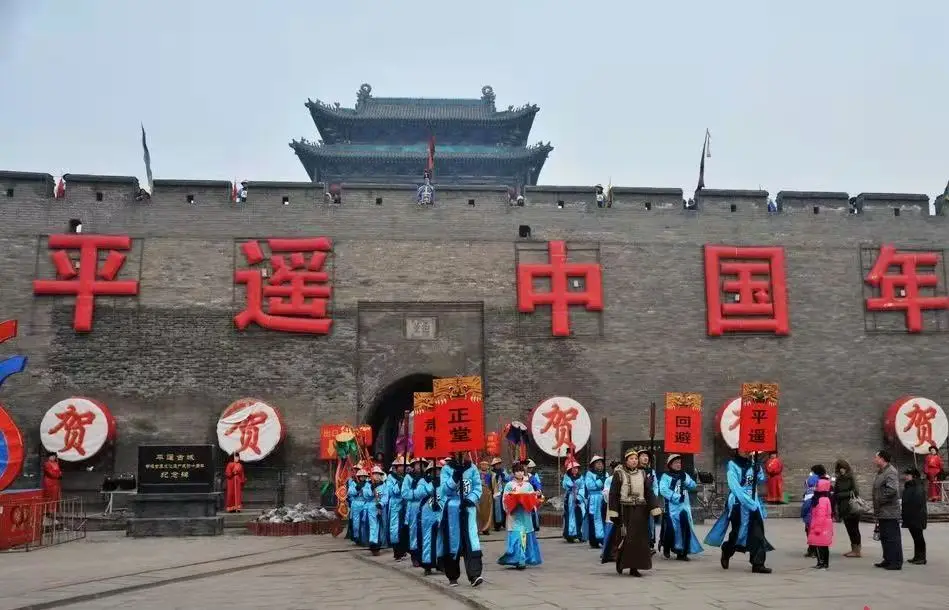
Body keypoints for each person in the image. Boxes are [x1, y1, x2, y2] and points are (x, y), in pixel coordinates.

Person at [704, 450, 773, 574]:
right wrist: (748, 502)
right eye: (743, 448)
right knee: (738, 534)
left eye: (748, 449)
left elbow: (760, 480)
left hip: (754, 501)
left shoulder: (753, 463)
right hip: (738, 502)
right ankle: (727, 550)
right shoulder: (732, 465)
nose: (746, 451)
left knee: (758, 532)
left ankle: (758, 563)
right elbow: (735, 487)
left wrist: (759, 470)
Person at [603, 448, 662, 576]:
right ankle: (620, 561)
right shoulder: (619, 474)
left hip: (641, 511)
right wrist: (614, 512)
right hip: (625, 511)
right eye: (631, 458)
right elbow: (613, 494)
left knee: (639, 540)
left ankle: (634, 567)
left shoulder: (642, 474)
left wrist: (655, 509)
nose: (634, 461)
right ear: (626, 460)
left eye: (636, 458)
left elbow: (648, 492)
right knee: (625, 539)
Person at [439, 454, 484, 588]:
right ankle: (452, 576)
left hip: (468, 508)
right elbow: (444, 490)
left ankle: (474, 575)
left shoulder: (473, 468)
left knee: (471, 541)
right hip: (452, 509)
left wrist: (471, 499)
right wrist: (454, 478)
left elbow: (477, 487)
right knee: (453, 542)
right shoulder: (446, 469)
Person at [658, 454, 703, 561]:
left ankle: (682, 552)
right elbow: (663, 490)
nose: (678, 465)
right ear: (670, 464)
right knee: (671, 529)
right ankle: (667, 546)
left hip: (683, 507)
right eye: (675, 463)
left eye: (679, 463)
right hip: (671, 508)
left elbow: (693, 485)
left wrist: (686, 481)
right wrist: (677, 497)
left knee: (684, 528)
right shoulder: (665, 476)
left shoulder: (684, 475)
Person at [497, 462, 543, 569]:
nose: (520, 473)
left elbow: (533, 499)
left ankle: (523, 559)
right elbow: (504, 499)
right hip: (514, 515)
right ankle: (518, 559)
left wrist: (535, 498)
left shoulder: (528, 485)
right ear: (513, 473)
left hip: (525, 515)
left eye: (521, 471)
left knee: (525, 536)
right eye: (517, 471)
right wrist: (511, 503)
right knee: (517, 536)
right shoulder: (509, 485)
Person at [871, 449, 902, 570]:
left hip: (890, 511)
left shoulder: (891, 472)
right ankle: (888, 559)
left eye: (876, 457)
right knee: (884, 537)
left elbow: (892, 490)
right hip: (882, 511)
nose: (874, 460)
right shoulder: (881, 472)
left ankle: (895, 561)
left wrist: (879, 500)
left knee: (892, 537)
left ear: (882, 459)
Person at [832, 459, 863, 558]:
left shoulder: (851, 478)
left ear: (846, 468)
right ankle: (854, 548)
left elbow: (856, 491)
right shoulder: (838, 479)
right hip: (843, 508)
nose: (841, 470)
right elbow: (836, 493)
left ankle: (857, 550)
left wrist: (842, 494)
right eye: (839, 468)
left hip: (852, 507)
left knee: (854, 529)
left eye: (842, 468)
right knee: (849, 529)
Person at [419, 459, 444, 574]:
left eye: (439, 470)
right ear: (429, 471)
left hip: (440, 511)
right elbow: (420, 493)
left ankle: (441, 562)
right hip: (427, 513)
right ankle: (427, 564)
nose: (437, 472)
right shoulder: (423, 482)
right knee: (427, 538)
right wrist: (431, 486)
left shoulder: (445, 482)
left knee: (441, 538)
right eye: (434, 470)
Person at [901, 467, 928, 565]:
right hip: (911, 515)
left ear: (914, 476)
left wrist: (912, 513)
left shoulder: (918, 486)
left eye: (908, 475)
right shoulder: (910, 485)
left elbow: (917, 502)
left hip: (917, 515)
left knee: (918, 537)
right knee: (916, 537)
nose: (906, 477)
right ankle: (917, 556)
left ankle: (921, 557)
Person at [807, 478, 834, 569]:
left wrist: (817, 527)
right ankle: (823, 563)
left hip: (821, 525)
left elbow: (821, 515)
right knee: (823, 545)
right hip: (825, 525)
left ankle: (822, 562)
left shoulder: (821, 500)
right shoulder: (825, 498)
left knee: (820, 545)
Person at [405, 458, 427, 566]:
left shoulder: (427, 477)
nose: (419, 466)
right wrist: (416, 493)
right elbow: (404, 493)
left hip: (426, 505)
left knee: (425, 530)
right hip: (413, 506)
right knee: (413, 530)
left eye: (421, 464)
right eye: (417, 464)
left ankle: (425, 554)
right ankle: (414, 555)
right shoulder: (408, 477)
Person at [801, 465, 827, 558]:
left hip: (810, 515)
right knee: (818, 531)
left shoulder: (810, 491)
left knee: (810, 531)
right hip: (821, 515)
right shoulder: (825, 486)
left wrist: (803, 514)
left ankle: (813, 550)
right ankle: (817, 550)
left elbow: (806, 505)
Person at [387, 455, 409, 560]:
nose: (403, 468)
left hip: (405, 504)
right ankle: (397, 552)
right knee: (395, 529)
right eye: (401, 466)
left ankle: (404, 549)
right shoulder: (390, 478)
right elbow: (391, 491)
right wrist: (399, 484)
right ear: (396, 467)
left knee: (405, 527)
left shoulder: (407, 477)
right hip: (395, 504)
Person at [583, 455, 607, 548]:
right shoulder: (589, 474)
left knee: (603, 518)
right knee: (593, 519)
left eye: (601, 463)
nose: (600, 465)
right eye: (597, 463)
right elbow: (590, 486)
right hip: (593, 498)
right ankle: (594, 541)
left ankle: (603, 538)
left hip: (603, 498)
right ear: (593, 465)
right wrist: (600, 482)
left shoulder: (606, 474)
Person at [637, 451, 659, 553]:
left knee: (650, 523)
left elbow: (655, 486)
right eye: (643, 456)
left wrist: (653, 496)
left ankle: (649, 543)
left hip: (649, 500)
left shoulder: (652, 471)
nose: (645, 458)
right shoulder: (635, 470)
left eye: (647, 456)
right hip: (638, 500)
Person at [561, 457, 586, 542]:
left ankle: (580, 534)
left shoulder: (581, 477)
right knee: (570, 516)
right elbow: (564, 485)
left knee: (581, 514)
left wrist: (579, 497)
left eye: (576, 468)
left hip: (579, 498)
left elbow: (582, 487)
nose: (575, 470)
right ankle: (570, 534)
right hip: (570, 498)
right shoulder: (567, 477)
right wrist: (571, 484)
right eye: (573, 468)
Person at [599, 460, 620, 562]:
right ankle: (607, 552)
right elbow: (606, 494)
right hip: (611, 507)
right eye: (616, 468)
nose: (618, 470)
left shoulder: (624, 478)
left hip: (621, 508)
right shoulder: (609, 479)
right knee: (610, 529)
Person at [368, 466, 389, 556]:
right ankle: (374, 545)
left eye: (378, 474)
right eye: (374, 474)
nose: (376, 476)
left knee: (382, 526)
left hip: (381, 508)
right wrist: (371, 490)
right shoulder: (368, 485)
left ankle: (381, 543)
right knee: (373, 526)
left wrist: (381, 504)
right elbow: (366, 495)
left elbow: (386, 496)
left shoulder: (384, 486)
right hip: (372, 507)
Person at [349, 468, 371, 546]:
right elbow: (350, 492)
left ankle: (364, 538)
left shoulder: (368, 484)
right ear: (358, 477)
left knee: (364, 522)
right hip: (356, 503)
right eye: (361, 476)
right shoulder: (353, 483)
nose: (363, 478)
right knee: (356, 522)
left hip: (365, 503)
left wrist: (364, 491)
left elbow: (370, 494)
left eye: (364, 476)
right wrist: (356, 489)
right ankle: (356, 537)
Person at [489, 458, 508, 532]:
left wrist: (503, 476)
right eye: (496, 464)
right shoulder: (491, 472)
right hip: (495, 492)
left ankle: (504, 523)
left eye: (499, 464)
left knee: (504, 507)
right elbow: (489, 482)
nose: (498, 465)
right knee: (497, 508)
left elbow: (507, 479)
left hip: (503, 491)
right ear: (494, 465)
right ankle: (497, 524)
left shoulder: (503, 471)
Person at [476, 460, 493, 535]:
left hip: (488, 493)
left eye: (485, 465)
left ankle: (486, 528)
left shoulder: (491, 474)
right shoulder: (477, 473)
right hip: (479, 493)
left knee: (487, 511)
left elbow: (494, 484)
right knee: (478, 511)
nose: (484, 466)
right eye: (482, 465)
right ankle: (479, 528)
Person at [526, 459, 543, 532]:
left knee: (533, 510)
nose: (530, 469)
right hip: (522, 496)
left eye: (531, 468)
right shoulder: (518, 476)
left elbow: (537, 484)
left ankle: (535, 526)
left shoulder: (532, 476)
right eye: (529, 467)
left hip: (531, 495)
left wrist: (538, 490)